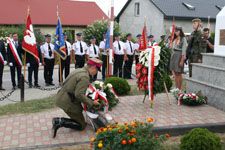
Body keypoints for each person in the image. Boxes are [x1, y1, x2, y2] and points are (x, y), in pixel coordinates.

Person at [52, 58, 102, 138]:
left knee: (81, 120)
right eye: (96, 70)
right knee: (82, 125)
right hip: (68, 102)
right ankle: (59, 121)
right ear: (92, 68)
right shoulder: (85, 76)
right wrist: (92, 102)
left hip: (62, 97)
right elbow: (78, 95)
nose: (96, 73)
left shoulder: (79, 70)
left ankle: (64, 120)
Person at [169, 27, 188, 92]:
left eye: (177, 31)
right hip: (174, 54)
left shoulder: (183, 39)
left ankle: (179, 88)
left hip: (179, 55)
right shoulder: (176, 39)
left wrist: (182, 60)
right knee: (176, 72)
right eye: (175, 31)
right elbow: (173, 47)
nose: (175, 32)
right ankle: (176, 87)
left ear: (180, 31)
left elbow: (184, 50)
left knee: (179, 73)